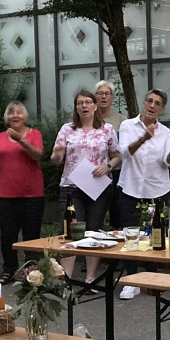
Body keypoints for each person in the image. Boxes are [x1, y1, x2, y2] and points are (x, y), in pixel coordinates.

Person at [118, 89, 170, 299]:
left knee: (155, 234)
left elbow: (169, 162)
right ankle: (131, 280)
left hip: (157, 189)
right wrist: (144, 137)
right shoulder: (127, 125)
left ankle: (151, 278)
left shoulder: (165, 132)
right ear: (143, 102)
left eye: (157, 103)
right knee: (131, 233)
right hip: (130, 187)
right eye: (150, 101)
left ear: (162, 109)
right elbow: (125, 152)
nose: (152, 105)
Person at [51, 90, 121, 284]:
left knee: (93, 231)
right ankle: (66, 279)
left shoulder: (107, 129)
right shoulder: (67, 129)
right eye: (80, 103)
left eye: (88, 102)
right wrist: (57, 154)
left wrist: (107, 166)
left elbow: (117, 155)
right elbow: (56, 159)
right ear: (76, 108)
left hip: (98, 187)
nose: (84, 106)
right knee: (69, 231)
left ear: (95, 106)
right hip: (71, 187)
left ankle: (90, 278)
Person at [0, 101, 44, 285]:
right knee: (7, 236)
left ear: (25, 116)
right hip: (6, 195)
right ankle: (9, 269)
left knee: (31, 236)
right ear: (6, 117)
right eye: (11, 113)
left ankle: (32, 271)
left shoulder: (34, 134)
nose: (15, 116)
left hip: (32, 194)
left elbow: (37, 155)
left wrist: (21, 140)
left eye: (19, 112)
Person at [95, 79, 130, 228]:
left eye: (107, 94)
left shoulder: (122, 120)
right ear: (95, 97)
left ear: (112, 97)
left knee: (117, 214)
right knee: (95, 215)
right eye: (100, 93)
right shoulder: (89, 118)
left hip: (116, 172)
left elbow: (124, 148)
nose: (103, 97)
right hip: (94, 173)